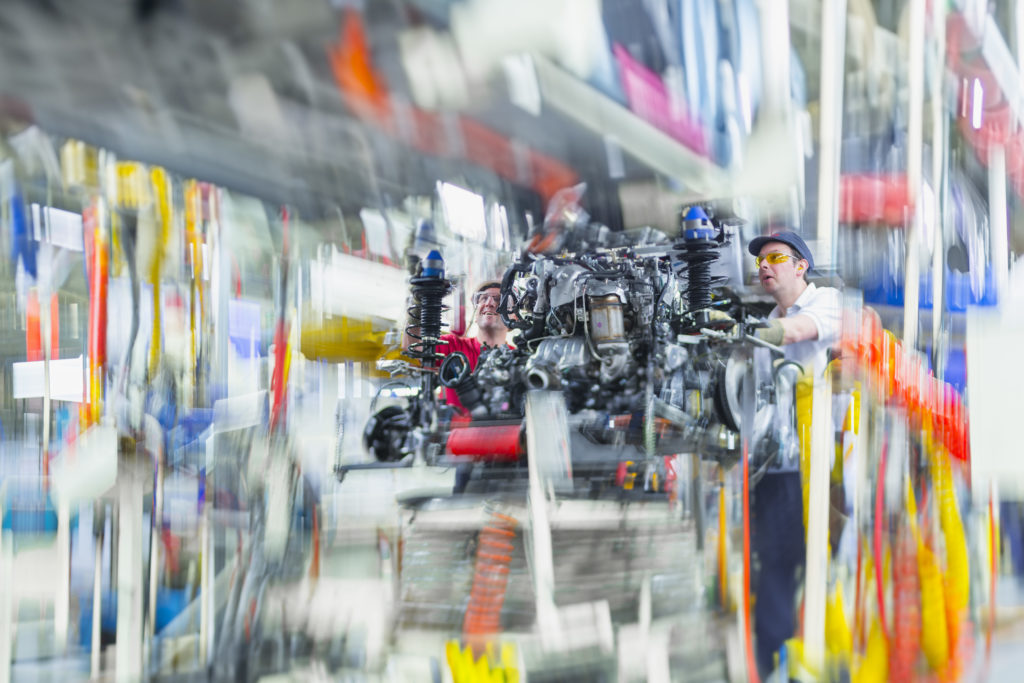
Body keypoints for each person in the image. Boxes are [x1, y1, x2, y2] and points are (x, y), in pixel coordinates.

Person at [746, 230, 841, 679]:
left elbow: (800, 331)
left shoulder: (827, 303)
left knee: (826, 558)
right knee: (776, 560)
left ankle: (830, 655)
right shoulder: (765, 319)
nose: (764, 266)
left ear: (801, 264)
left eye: (775, 257)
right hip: (778, 464)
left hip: (825, 461)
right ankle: (775, 661)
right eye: (760, 261)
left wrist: (753, 334)